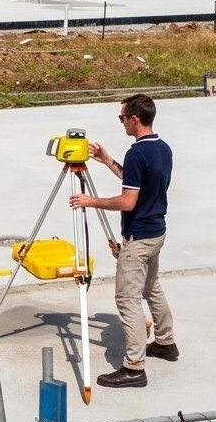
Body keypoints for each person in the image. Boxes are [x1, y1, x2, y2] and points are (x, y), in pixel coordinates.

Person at [68, 94, 176, 389]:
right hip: (156, 231)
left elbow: (128, 201)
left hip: (138, 238)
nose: (122, 123)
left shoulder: (136, 153)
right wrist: (107, 161)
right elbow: (137, 180)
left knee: (127, 300)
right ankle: (165, 342)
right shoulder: (162, 148)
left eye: (122, 118)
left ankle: (134, 368)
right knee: (152, 287)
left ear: (134, 119)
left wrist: (90, 201)